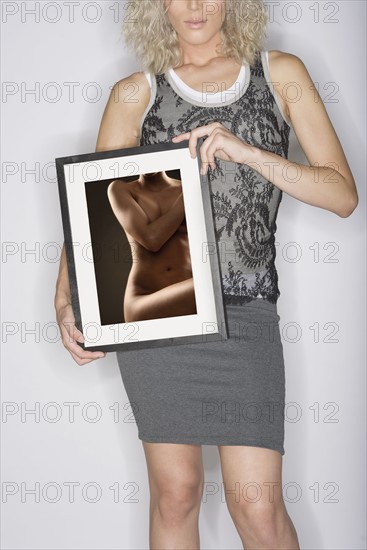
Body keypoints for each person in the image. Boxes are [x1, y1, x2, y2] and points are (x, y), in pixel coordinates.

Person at [54, 1, 358, 548]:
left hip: (248, 315)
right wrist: (65, 303)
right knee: (176, 494)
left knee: (258, 507)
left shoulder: (280, 73)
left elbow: (342, 195)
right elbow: (91, 209)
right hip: (161, 316)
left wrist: (247, 152)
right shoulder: (135, 92)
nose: (195, 4)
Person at [107, 171, 197, 322]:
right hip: (144, 300)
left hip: (188, 289)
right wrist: (187, 195)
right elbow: (152, 240)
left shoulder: (186, 186)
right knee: (214, 286)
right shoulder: (121, 189)